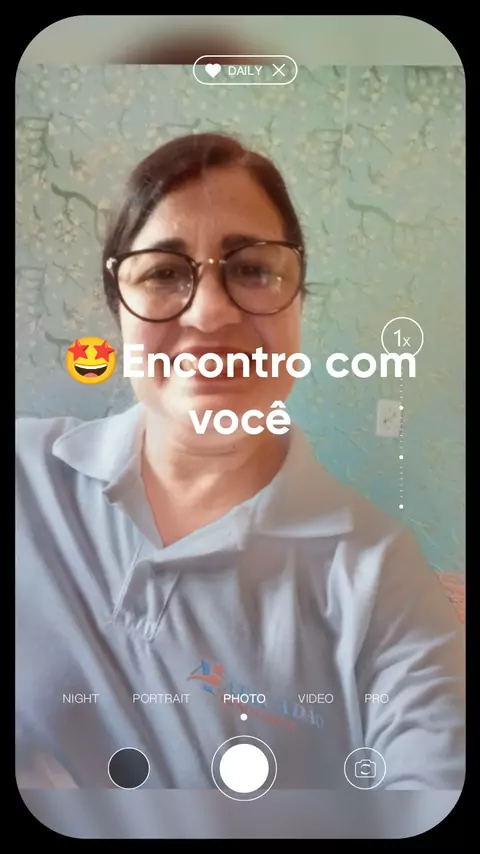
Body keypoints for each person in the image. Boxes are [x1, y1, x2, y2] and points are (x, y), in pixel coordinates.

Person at [16, 133, 464, 800]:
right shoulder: (25, 477)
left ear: (299, 301)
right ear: (119, 308)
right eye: (163, 273)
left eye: (252, 269)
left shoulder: (382, 578)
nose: (210, 313)